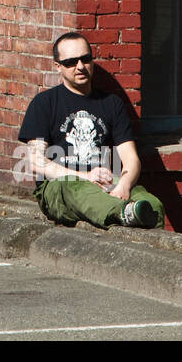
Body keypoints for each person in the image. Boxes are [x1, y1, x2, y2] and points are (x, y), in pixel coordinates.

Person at [17, 32, 165, 229]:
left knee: (153, 206)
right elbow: (36, 163)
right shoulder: (44, 104)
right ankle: (123, 212)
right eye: (70, 62)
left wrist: (124, 185)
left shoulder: (111, 104)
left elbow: (131, 159)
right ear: (58, 67)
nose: (80, 66)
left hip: (104, 182)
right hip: (61, 185)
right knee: (78, 190)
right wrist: (85, 177)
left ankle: (130, 215)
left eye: (85, 59)